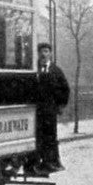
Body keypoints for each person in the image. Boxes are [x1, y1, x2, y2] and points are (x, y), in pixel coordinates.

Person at [28, 42, 69, 176]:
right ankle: (37, 164)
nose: (43, 54)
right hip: (37, 110)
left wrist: (60, 105)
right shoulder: (34, 70)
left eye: (46, 51)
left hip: (50, 110)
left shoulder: (56, 71)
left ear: (50, 54)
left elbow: (65, 89)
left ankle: (52, 162)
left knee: (50, 136)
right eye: (41, 52)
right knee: (37, 136)